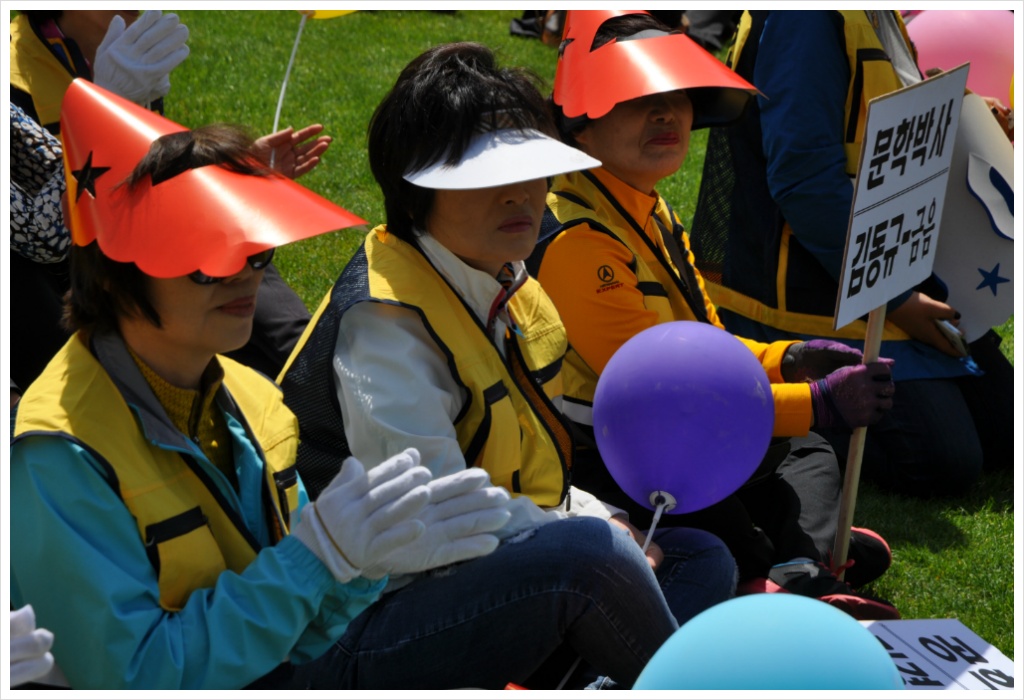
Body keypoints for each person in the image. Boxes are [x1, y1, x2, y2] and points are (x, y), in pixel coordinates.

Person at [10, 79, 511, 690]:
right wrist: (313, 560)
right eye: (205, 263)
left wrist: (356, 569)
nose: (244, 278)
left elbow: (299, 635)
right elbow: (136, 676)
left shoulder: (256, 400)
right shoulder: (58, 454)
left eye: (254, 252)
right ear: (114, 277)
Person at [278, 42, 737, 689]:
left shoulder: (499, 275)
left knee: (698, 557)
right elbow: (430, 521)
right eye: (488, 178)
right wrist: (592, 530)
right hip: (353, 630)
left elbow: (533, 469)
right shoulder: (384, 325)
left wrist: (597, 516)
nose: (523, 195)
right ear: (414, 191)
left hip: (470, 574)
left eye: (534, 170)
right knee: (594, 556)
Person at [529, 10, 898, 620]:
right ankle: (786, 565)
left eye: (678, 97)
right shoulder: (576, 240)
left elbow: (707, 348)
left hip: (679, 432)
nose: (667, 115)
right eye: (639, 99)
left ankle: (795, 562)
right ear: (580, 122)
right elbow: (673, 393)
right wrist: (817, 401)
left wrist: (789, 358)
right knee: (769, 462)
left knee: (805, 449)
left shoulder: (646, 208)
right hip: (618, 458)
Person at [689, 10, 1014, 497]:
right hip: (811, 295)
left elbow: (880, 114)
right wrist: (897, 300)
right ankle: (779, 405)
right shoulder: (804, 18)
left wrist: (965, 114)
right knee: (941, 461)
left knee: (1008, 436)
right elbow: (805, 182)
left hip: (885, 264)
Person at [9, 9, 326, 385]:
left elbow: (150, 172)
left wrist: (227, 173)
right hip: (75, 286)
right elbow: (47, 236)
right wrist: (106, 111)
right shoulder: (16, 78)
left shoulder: (138, 46)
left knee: (301, 345)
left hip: (159, 236)